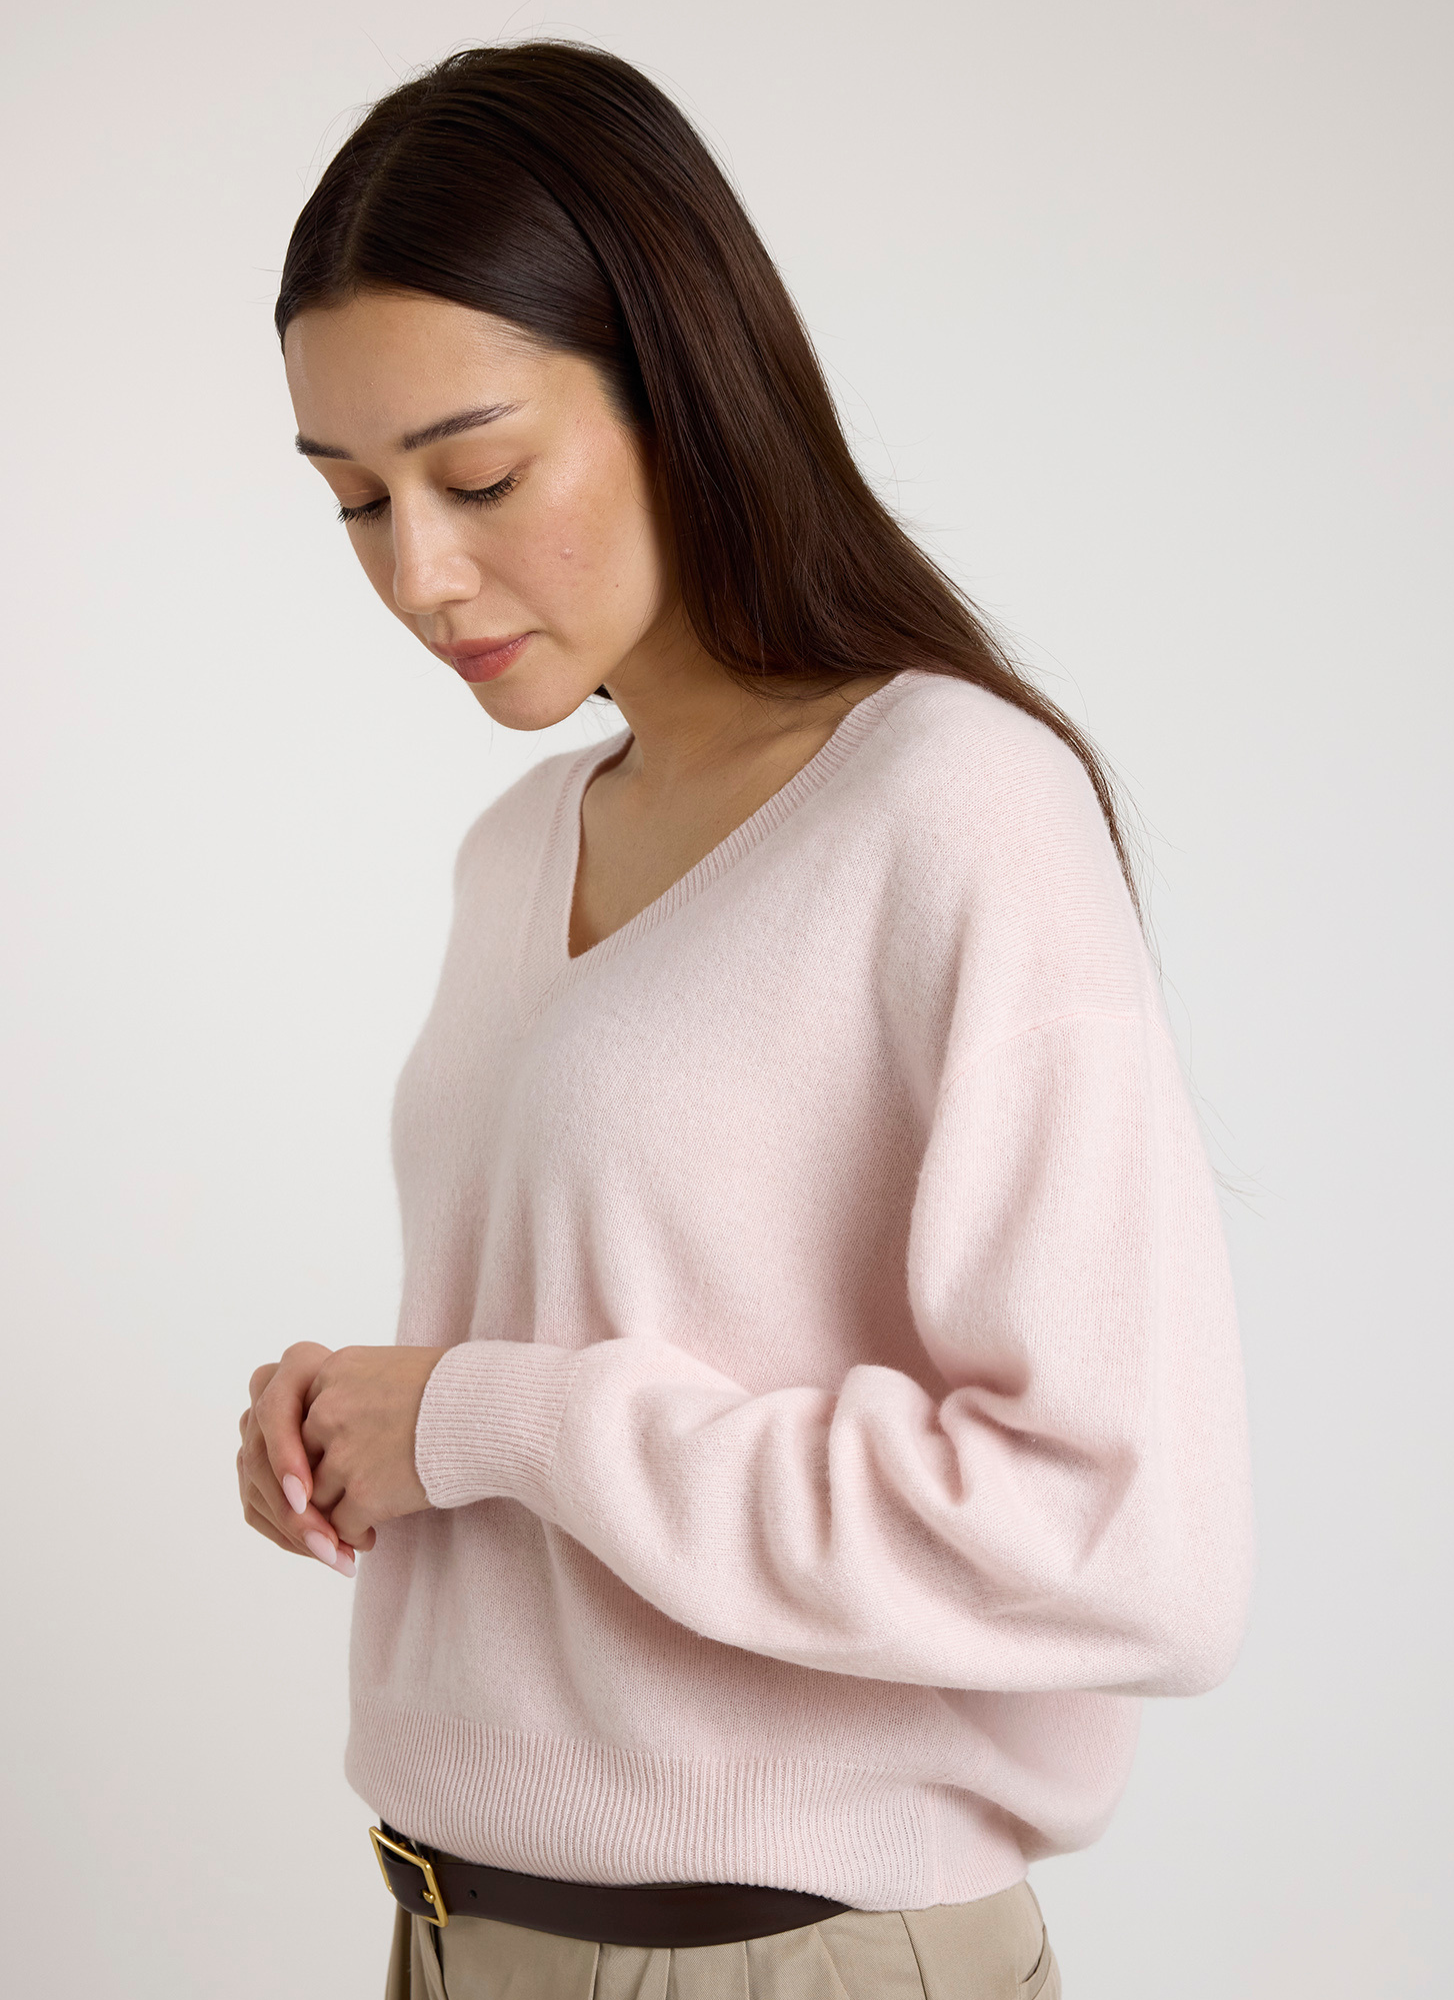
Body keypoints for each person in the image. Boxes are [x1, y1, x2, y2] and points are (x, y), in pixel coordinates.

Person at [235, 39, 1255, 2000]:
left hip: (790, 1962)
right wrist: (369, 1437)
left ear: (682, 386)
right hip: (462, 1934)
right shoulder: (515, 847)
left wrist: (488, 1418)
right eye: (354, 502)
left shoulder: (952, 803)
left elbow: (1123, 1531)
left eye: (480, 474)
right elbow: (596, 1367)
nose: (418, 573)